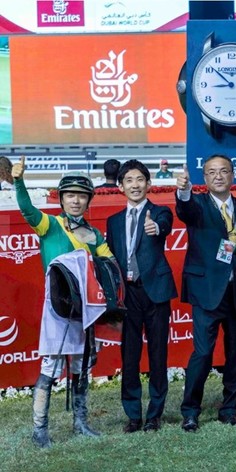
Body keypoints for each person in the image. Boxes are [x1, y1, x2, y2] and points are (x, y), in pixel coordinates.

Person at [12, 156, 113, 448]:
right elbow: (28, 211)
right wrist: (19, 182)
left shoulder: (94, 234)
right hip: (58, 309)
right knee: (50, 368)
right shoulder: (50, 225)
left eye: (81, 196)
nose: (76, 201)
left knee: (82, 367)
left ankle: (80, 423)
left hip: (86, 310)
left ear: (88, 200)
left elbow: (109, 265)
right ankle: (39, 431)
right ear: (62, 198)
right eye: (70, 195)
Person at [175, 155, 236, 432]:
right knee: (203, 353)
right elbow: (184, 209)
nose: (218, 176)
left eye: (224, 171)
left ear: (233, 175)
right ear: (204, 178)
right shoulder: (197, 206)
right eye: (211, 172)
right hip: (207, 292)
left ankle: (229, 409)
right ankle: (190, 411)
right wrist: (184, 190)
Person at [106, 160, 177, 433]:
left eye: (139, 180)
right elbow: (111, 259)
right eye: (129, 180)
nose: (134, 185)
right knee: (129, 356)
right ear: (120, 186)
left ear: (149, 184)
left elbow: (164, 225)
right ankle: (133, 415)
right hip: (127, 295)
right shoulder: (113, 221)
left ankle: (154, 415)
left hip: (155, 292)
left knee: (158, 354)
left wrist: (155, 229)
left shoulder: (160, 212)